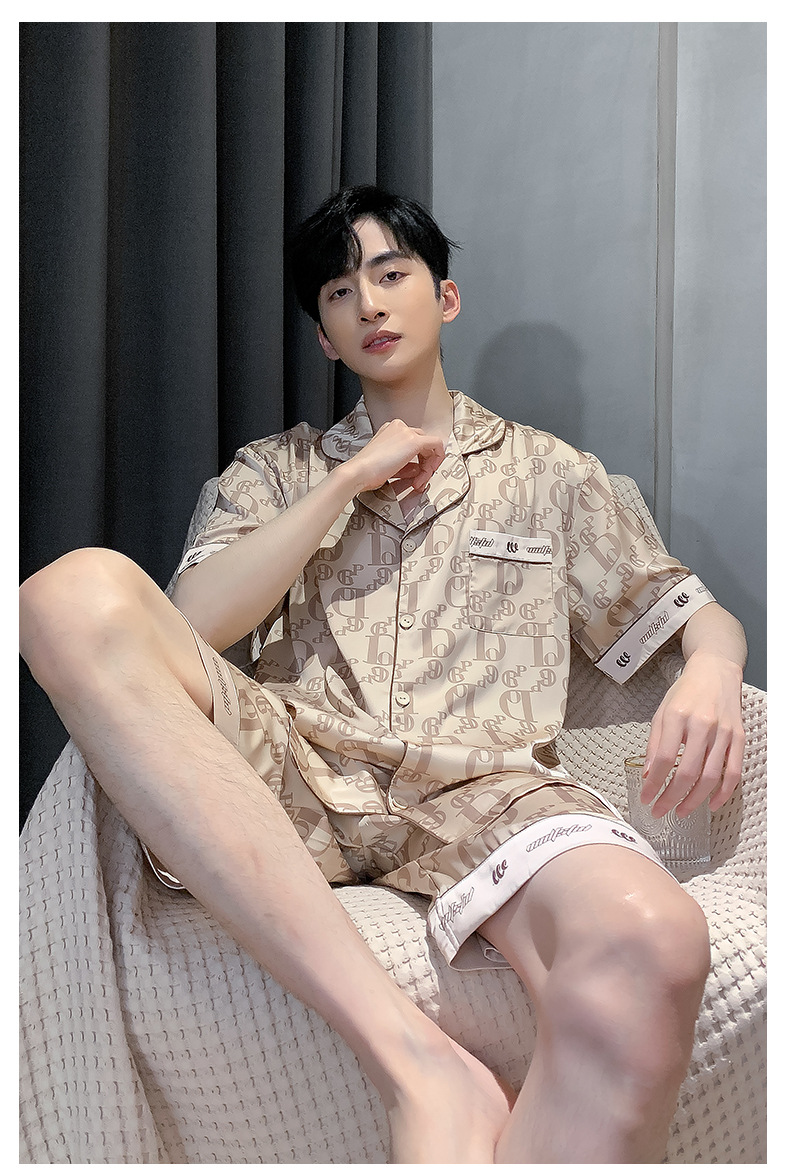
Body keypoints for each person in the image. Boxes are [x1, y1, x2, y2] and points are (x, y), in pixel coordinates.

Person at [19, 185, 747, 1163]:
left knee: (656, 938)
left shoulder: (554, 474)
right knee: (66, 595)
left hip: (488, 787)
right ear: (324, 338)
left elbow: (689, 612)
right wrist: (345, 481)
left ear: (444, 298)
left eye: (391, 274)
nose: (367, 302)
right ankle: (415, 1064)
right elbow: (195, 621)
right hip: (293, 768)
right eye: (337, 291)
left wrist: (713, 667)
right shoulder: (274, 472)